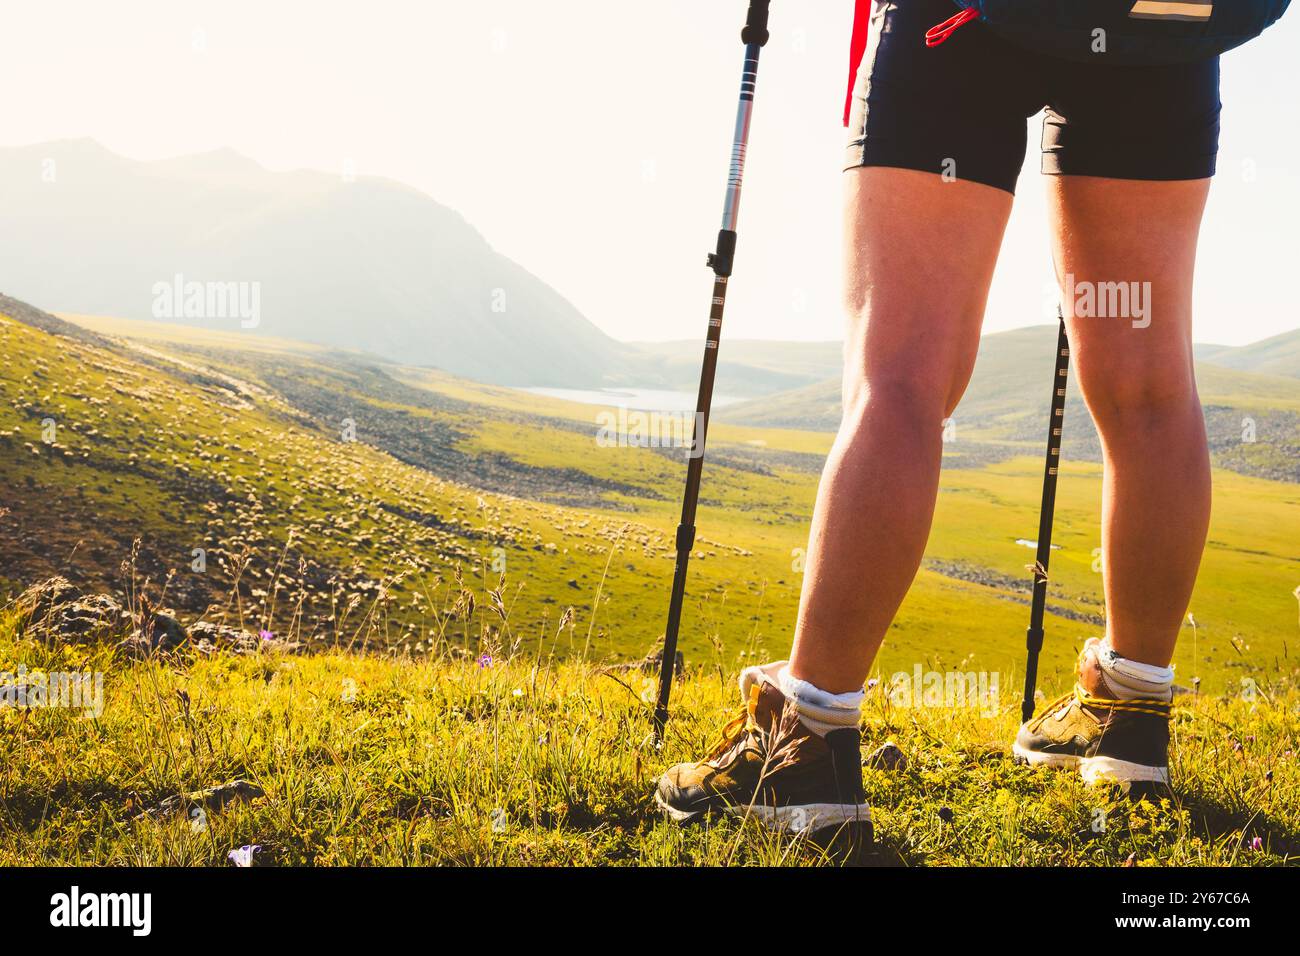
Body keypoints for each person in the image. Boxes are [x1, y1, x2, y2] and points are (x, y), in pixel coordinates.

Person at [656, 0, 1218, 832]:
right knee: (1150, 383)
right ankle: (1130, 713)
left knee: (902, 374)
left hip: (960, 20)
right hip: (1162, 20)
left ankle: (805, 741)